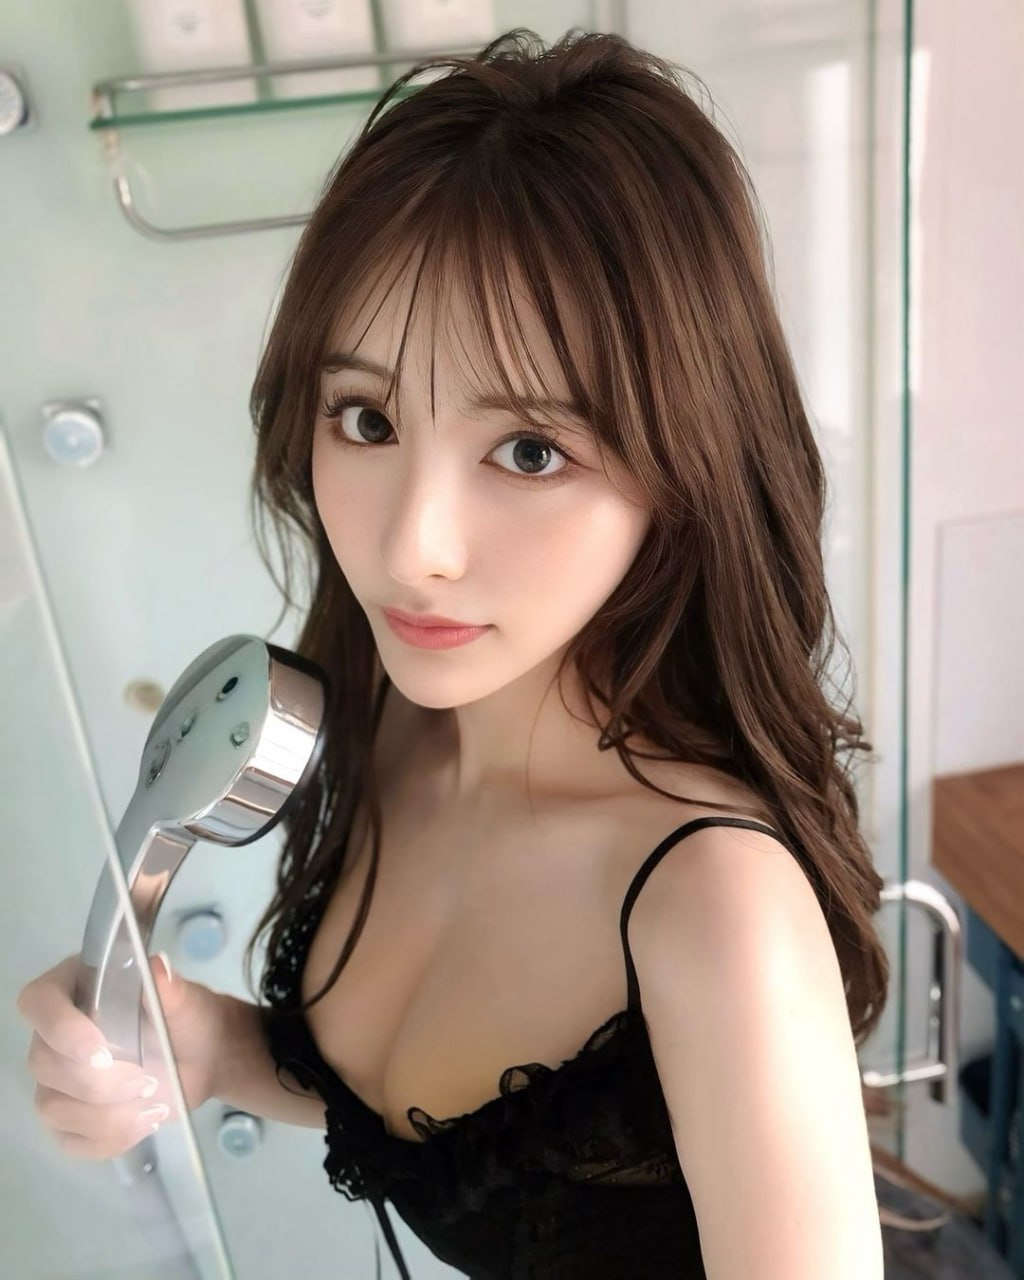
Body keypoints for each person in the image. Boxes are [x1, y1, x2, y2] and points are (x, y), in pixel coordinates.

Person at [17, 28, 892, 1280]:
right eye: (367, 418)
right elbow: (454, 1130)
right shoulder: (396, 730)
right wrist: (207, 1044)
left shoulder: (713, 907)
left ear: (683, 467)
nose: (412, 547)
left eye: (530, 450)